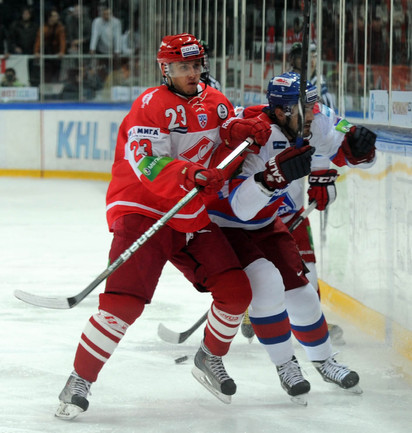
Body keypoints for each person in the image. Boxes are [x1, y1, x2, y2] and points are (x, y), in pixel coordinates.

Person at [55, 33, 271, 420]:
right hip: (144, 209)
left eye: (196, 65)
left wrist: (240, 135)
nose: (192, 72)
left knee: (236, 292)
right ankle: (79, 380)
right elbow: (147, 163)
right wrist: (191, 174)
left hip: (188, 212)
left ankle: (209, 357)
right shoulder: (150, 105)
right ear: (166, 69)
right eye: (182, 66)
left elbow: (221, 146)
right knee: (123, 303)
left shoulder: (216, 102)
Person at [206, 72, 367, 404]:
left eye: (313, 107)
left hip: (268, 222)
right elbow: (240, 208)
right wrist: (271, 178)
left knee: (304, 295)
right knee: (267, 286)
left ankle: (325, 361)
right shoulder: (253, 134)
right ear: (280, 111)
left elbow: (338, 149)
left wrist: (360, 151)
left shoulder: (312, 118)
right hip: (226, 226)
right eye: (304, 109)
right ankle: (285, 366)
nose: (312, 115)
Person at [288, 42, 335, 110]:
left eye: (314, 57)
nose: (310, 60)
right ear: (292, 60)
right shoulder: (288, 81)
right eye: (300, 57)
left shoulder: (319, 84)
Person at [34, 8, 66, 83]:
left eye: (57, 16)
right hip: (46, 52)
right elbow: (39, 40)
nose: (57, 18)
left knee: (56, 73)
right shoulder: (43, 28)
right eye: (55, 16)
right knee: (46, 73)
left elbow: (62, 40)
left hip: (56, 52)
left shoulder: (60, 27)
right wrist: (36, 51)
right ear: (50, 18)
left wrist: (62, 51)